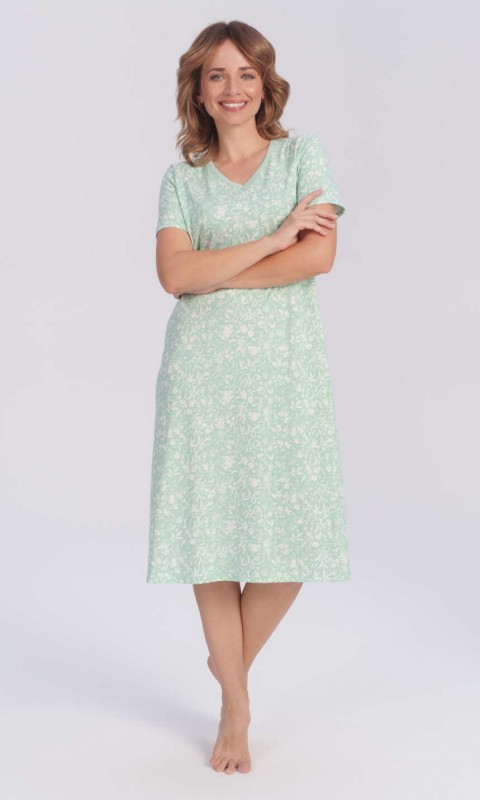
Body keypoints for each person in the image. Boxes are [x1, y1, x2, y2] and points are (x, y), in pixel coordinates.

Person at [147, 20, 352, 775]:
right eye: (216, 75)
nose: (232, 88)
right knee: (207, 535)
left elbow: (319, 257)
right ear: (198, 91)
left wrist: (217, 272)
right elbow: (174, 276)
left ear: (266, 84)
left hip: (287, 373)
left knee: (294, 538)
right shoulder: (182, 179)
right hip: (200, 376)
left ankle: (225, 660)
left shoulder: (304, 157)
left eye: (245, 74)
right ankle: (235, 704)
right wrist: (273, 239)